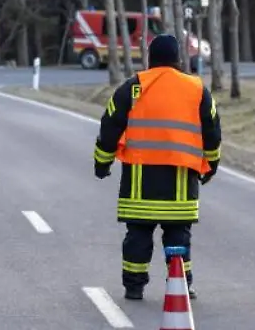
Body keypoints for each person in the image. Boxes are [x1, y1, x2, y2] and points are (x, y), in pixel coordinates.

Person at [93, 34, 222, 301]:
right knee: (178, 237)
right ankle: (182, 285)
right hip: (180, 184)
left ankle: (134, 286)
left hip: (140, 185)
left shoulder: (133, 87)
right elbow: (212, 131)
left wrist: (102, 163)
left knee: (138, 236)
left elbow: (109, 127)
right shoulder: (196, 89)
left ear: (150, 58)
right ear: (179, 59)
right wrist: (211, 165)